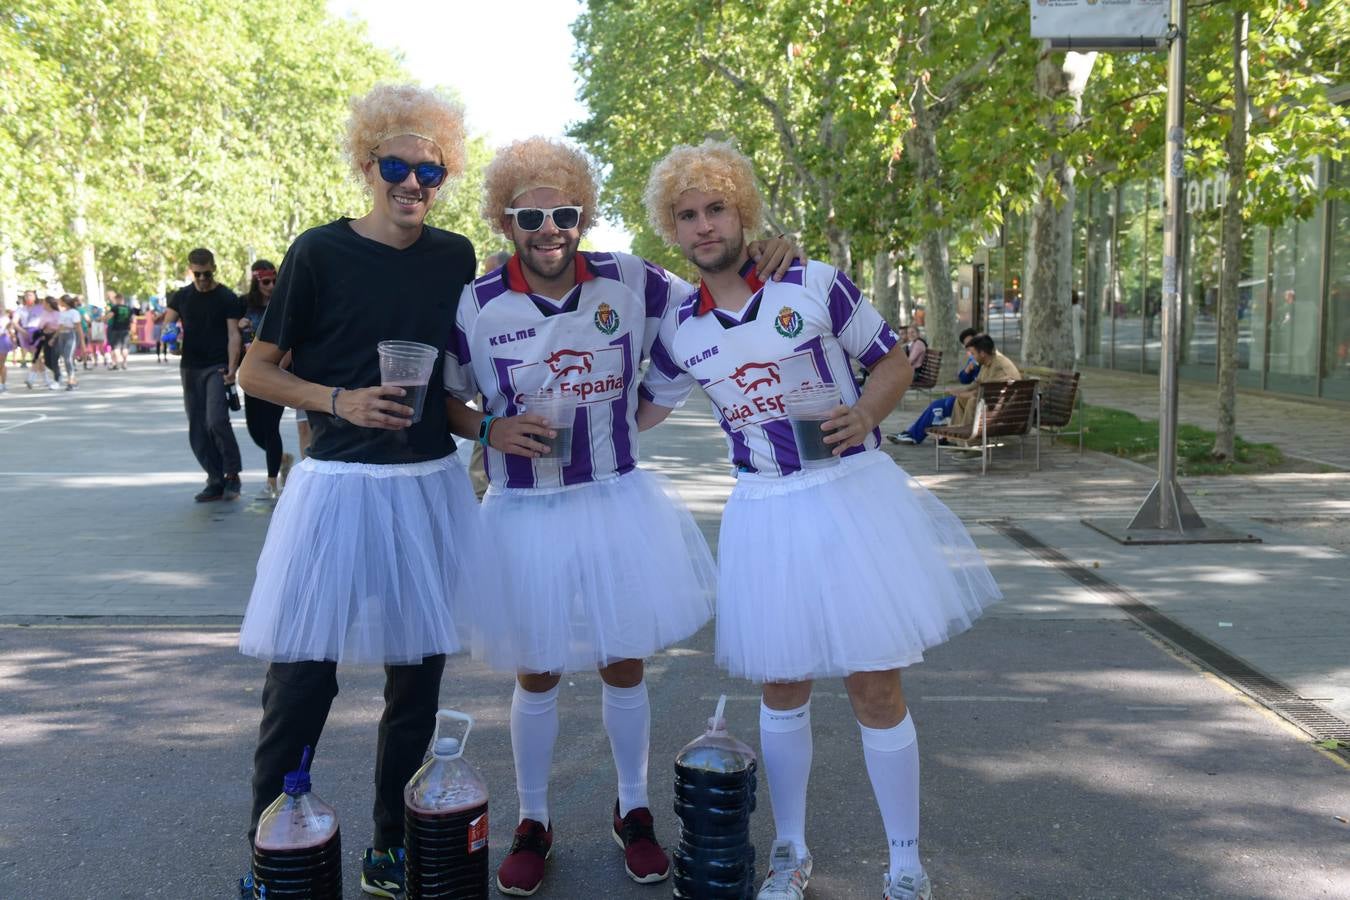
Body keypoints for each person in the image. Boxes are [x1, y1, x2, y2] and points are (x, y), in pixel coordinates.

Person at [638, 140, 1001, 900]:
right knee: (782, 688)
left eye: (717, 208)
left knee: (875, 686)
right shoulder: (678, 327)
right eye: (687, 215)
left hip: (851, 496)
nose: (705, 226)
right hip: (763, 511)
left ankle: (905, 863)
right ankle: (790, 852)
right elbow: (640, 409)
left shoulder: (812, 282)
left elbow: (897, 357)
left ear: (744, 210)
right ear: (672, 231)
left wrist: (868, 408)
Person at [441, 136, 798, 897]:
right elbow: (443, 393)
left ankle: (633, 810)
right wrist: (484, 428)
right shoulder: (475, 302)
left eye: (565, 212)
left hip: (614, 497)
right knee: (535, 668)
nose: (549, 227)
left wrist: (775, 251)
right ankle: (533, 819)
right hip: (522, 506)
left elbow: (718, 286)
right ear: (505, 220)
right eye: (530, 213)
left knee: (622, 657)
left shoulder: (632, 279)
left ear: (584, 215)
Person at [234, 83, 481, 900]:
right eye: (397, 164)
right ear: (366, 164)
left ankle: (391, 845)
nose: (414, 182)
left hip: (427, 488)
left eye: (431, 169)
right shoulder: (317, 251)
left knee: (418, 680)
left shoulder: (456, 258)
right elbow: (256, 371)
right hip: (337, 488)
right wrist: (339, 401)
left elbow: (453, 382)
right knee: (303, 677)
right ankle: (277, 848)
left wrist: (490, 429)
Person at [164, 249, 246, 502]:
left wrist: (233, 368)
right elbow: (168, 326)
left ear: (214, 268)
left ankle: (232, 474)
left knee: (216, 420)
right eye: (197, 274)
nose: (201, 278)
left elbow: (234, 335)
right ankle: (214, 477)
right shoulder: (182, 296)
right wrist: (170, 341)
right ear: (191, 270)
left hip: (217, 366)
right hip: (190, 366)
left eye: (206, 273)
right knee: (197, 426)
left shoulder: (226, 297)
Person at [238, 259, 291, 498]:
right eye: (265, 282)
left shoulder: (285, 303)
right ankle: (281, 458)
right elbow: (231, 335)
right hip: (252, 373)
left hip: (278, 373)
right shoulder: (244, 305)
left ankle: (272, 482)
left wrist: (281, 366)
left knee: (270, 428)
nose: (271, 286)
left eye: (274, 281)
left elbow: (292, 339)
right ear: (256, 282)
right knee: (255, 429)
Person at [887, 327, 979, 445]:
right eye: (967, 346)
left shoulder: (982, 358)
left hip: (970, 400)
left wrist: (960, 391)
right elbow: (963, 379)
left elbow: (976, 385)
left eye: (971, 343)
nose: (970, 348)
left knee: (938, 407)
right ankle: (914, 434)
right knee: (936, 406)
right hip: (967, 398)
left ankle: (914, 435)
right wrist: (967, 370)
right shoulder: (974, 357)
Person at [947, 333, 1022, 430]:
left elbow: (982, 393)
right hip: (994, 403)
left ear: (982, 353)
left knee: (973, 401)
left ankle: (971, 438)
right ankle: (957, 436)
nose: (972, 357)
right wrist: (961, 390)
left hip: (1006, 410)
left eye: (973, 354)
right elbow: (978, 383)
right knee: (960, 400)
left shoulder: (999, 366)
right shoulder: (987, 362)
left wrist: (960, 394)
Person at [106, 293, 134, 370]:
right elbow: (133, 320)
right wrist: (132, 330)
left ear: (117, 299)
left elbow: (109, 316)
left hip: (116, 329)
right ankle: (124, 362)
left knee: (116, 347)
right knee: (125, 347)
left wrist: (104, 319)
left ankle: (118, 362)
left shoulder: (115, 308)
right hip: (126, 330)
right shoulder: (129, 308)